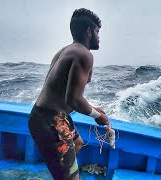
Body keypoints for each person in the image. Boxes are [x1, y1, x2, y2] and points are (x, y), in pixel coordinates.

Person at [28, 8, 109, 180]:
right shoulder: (83, 54)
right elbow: (73, 99)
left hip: (50, 115)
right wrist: (96, 115)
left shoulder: (67, 50)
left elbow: (66, 92)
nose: (99, 36)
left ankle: (61, 172)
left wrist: (93, 107)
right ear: (88, 31)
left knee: (77, 143)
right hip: (50, 122)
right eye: (97, 31)